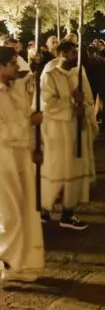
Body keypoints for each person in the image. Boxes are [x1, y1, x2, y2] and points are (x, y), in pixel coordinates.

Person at [40, 41, 98, 230]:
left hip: (76, 130)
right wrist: (71, 103)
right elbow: (46, 104)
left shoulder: (78, 73)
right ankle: (45, 209)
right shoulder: (50, 75)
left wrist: (85, 110)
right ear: (63, 54)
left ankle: (68, 212)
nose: (77, 56)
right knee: (56, 171)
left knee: (74, 172)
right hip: (58, 132)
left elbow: (87, 97)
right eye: (74, 53)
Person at [0, 47, 45, 282]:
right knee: (9, 215)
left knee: (26, 209)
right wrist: (29, 123)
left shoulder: (15, 89)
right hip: (3, 158)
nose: (17, 67)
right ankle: (7, 261)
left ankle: (20, 264)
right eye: (11, 63)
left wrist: (36, 147)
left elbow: (26, 110)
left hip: (21, 156)